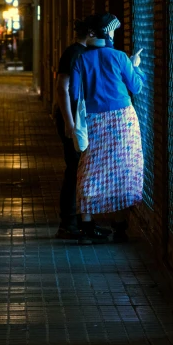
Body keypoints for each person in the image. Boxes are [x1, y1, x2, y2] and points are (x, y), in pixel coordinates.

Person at [70, 12, 144, 241]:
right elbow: (137, 87)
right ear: (106, 33)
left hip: (93, 119)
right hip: (122, 118)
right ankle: (120, 226)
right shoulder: (120, 57)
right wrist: (135, 66)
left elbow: (74, 92)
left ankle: (86, 225)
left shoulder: (81, 60)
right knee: (123, 169)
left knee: (89, 169)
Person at [54, 19, 111, 242]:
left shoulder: (81, 52)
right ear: (89, 33)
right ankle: (68, 224)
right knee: (75, 168)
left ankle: (76, 222)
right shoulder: (75, 53)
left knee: (79, 167)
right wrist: (69, 122)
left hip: (77, 118)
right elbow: (62, 88)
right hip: (72, 118)